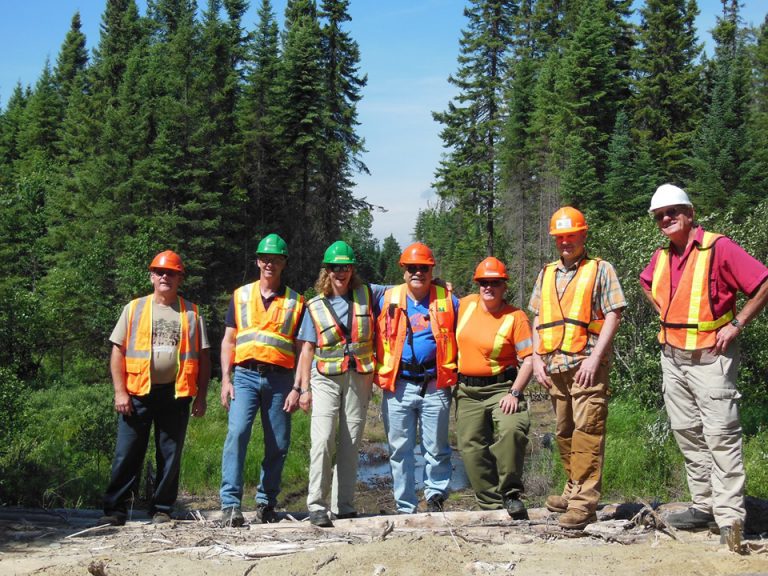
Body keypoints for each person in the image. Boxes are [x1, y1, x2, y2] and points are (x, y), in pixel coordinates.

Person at [639, 184, 768, 543]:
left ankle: (729, 519)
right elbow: (646, 283)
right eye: (659, 215)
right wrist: (664, 315)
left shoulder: (718, 247)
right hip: (673, 358)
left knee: (721, 437)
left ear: (689, 213)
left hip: (712, 359)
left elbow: (763, 282)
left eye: (672, 212)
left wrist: (737, 324)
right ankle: (703, 505)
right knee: (688, 434)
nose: (666, 218)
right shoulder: (662, 257)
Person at [529, 207, 626, 530]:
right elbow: (537, 317)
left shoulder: (600, 269)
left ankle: (584, 503)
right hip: (555, 364)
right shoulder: (547, 273)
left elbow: (613, 314)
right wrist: (536, 359)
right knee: (564, 433)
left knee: (588, 433)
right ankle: (572, 489)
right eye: (560, 237)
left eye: (571, 235)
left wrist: (595, 358)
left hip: (587, 365)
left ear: (584, 235)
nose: (566, 242)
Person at [101, 250, 211, 526]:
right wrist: (120, 392)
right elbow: (117, 351)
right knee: (128, 452)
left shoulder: (192, 313)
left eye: (172, 273)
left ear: (180, 278)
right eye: (160, 272)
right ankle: (116, 510)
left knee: (170, 455)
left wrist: (201, 396)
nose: (166, 277)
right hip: (137, 391)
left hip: (175, 393)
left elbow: (204, 358)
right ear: (152, 276)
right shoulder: (135, 308)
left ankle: (162, 508)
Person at [219, 233, 305, 527]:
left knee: (278, 443)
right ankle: (230, 504)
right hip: (244, 376)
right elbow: (228, 340)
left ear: (284, 264)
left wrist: (298, 387)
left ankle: (266, 502)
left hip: (281, 381)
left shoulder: (296, 301)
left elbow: (300, 348)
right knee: (238, 434)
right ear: (258, 261)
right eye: (265, 259)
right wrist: (225, 379)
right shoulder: (241, 295)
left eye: (276, 259)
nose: (270, 264)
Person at [373, 242, 459, 514]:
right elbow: (352, 287)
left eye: (423, 268)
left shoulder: (447, 300)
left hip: (434, 384)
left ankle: (435, 498)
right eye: (412, 268)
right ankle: (405, 505)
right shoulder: (386, 297)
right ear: (403, 271)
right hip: (398, 385)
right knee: (400, 450)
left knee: (436, 447)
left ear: (431, 270)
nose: (417, 273)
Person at [294, 241, 375, 527]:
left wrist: (439, 282)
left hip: (359, 377)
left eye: (346, 267)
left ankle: (344, 505)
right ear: (326, 271)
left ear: (353, 269)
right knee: (323, 438)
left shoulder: (368, 294)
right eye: (334, 267)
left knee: (351, 442)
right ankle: (316, 505)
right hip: (324, 378)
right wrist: (302, 389)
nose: (340, 272)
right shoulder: (314, 306)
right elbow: (306, 349)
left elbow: (403, 290)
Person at [455, 257, 534, 519]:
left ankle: (510, 493)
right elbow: (436, 297)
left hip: (502, 387)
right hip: (467, 391)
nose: (489, 287)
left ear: (504, 286)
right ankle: (490, 507)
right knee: (471, 448)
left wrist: (515, 392)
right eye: (484, 283)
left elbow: (530, 359)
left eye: (495, 283)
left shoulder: (515, 317)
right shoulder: (465, 306)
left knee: (512, 429)